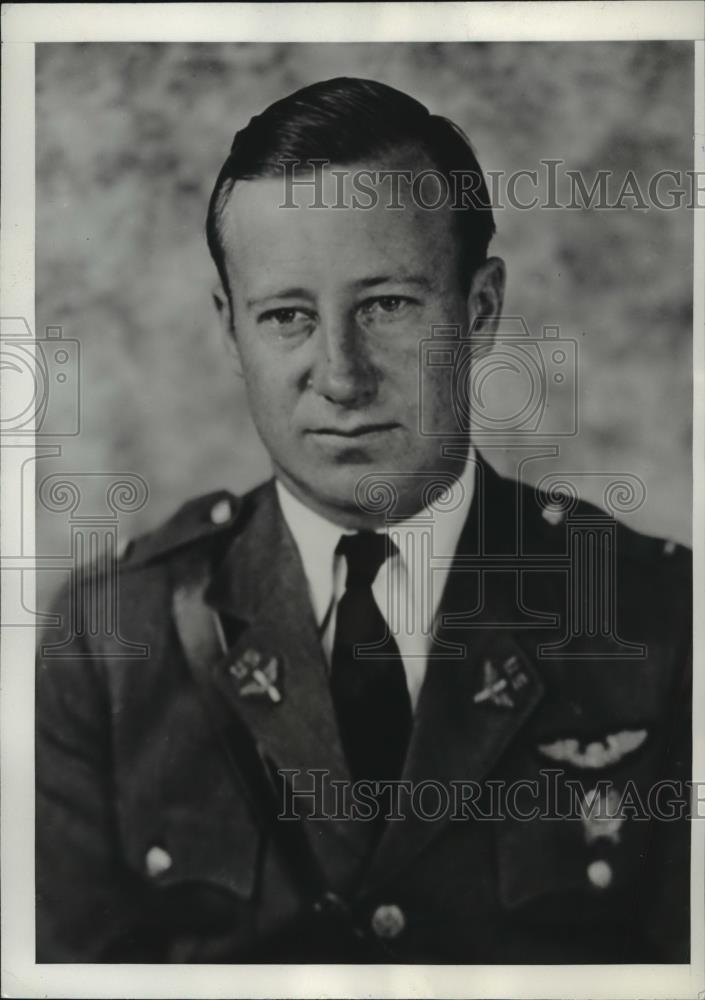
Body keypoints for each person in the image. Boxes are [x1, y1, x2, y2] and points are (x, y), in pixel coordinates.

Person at [36, 77, 692, 964]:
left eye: (386, 306)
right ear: (231, 334)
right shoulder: (112, 642)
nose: (340, 376)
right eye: (287, 317)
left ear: (479, 309)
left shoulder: (660, 620)